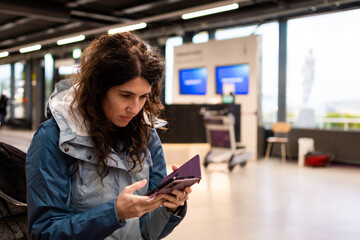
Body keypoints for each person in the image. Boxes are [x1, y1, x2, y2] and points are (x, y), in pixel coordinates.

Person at [25, 32, 192, 240]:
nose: (135, 109)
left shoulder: (146, 134)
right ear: (98, 88)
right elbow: (45, 232)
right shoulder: (53, 137)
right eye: (126, 95)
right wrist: (114, 214)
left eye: (143, 97)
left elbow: (147, 232)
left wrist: (170, 207)